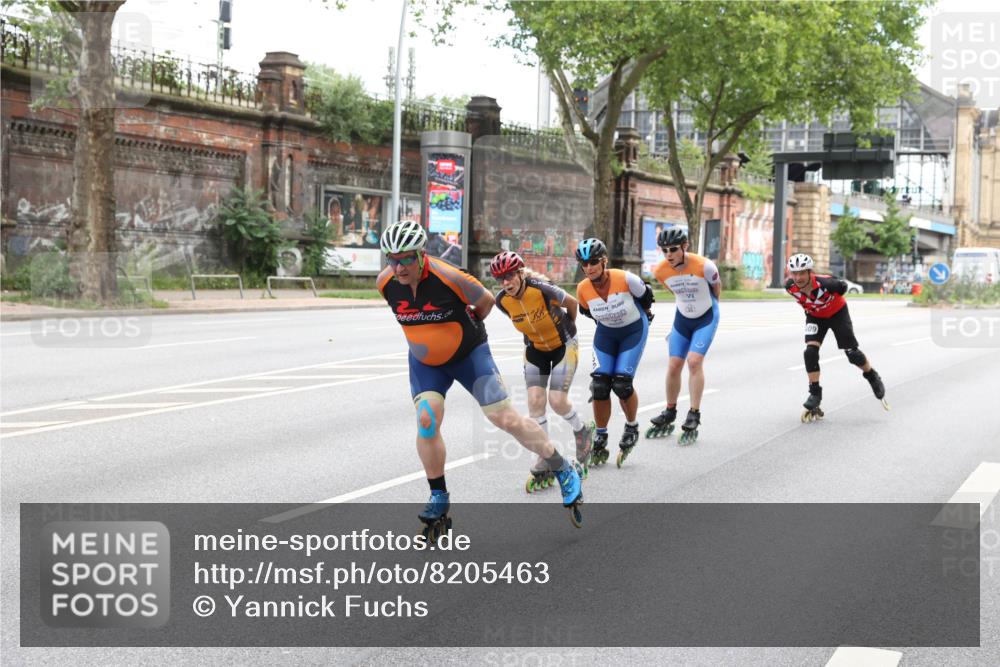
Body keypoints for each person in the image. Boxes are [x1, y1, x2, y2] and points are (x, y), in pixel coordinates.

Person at [377, 221, 584, 533]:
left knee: (506, 419)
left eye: (406, 258)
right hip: (426, 362)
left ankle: (562, 467)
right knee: (427, 420)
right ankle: (438, 495)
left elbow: (486, 300)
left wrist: (467, 326)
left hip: (469, 356)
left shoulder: (449, 276)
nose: (398, 267)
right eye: (392, 260)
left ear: (421, 255)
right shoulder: (385, 282)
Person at [489, 250, 594, 492]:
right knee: (535, 402)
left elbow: (572, 304)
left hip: (563, 345)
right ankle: (545, 454)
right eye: (500, 279)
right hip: (535, 349)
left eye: (509, 276)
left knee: (557, 401)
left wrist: (569, 325)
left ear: (520, 273)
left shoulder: (542, 289)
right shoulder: (501, 301)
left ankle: (582, 430)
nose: (506, 283)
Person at [574, 238, 654, 468]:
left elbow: (646, 298)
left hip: (633, 331)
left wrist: (644, 315)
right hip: (607, 334)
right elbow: (587, 312)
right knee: (599, 385)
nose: (589, 268)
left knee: (621, 384)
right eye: (584, 264)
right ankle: (601, 435)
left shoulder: (626, 278)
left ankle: (631, 427)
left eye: (593, 262)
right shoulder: (582, 289)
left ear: (604, 261)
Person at [784, 253, 888, 422]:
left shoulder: (826, 283)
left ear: (810, 272)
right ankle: (815, 393)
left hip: (837, 313)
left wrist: (831, 296)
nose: (798, 278)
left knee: (852, 354)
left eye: (802, 273)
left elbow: (843, 287)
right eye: (794, 273)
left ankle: (871, 375)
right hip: (815, 317)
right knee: (810, 353)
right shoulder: (790, 287)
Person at [648, 227, 720, 444]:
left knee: (694, 362)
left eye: (673, 249)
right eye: (664, 250)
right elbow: (675, 292)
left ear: (684, 247)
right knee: (673, 365)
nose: (668, 254)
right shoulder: (660, 271)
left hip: (706, 317)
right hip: (682, 318)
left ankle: (694, 413)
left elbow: (716, 289)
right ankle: (670, 410)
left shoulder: (705, 266)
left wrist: (708, 307)